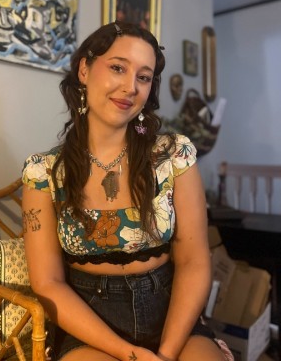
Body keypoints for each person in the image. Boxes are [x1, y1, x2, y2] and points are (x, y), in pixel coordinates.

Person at [21, 21, 233, 361]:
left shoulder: (174, 155)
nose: (130, 87)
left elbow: (194, 261)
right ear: (85, 69)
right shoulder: (43, 172)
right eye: (118, 68)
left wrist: (164, 353)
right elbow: (47, 283)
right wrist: (129, 354)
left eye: (144, 77)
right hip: (91, 326)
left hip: (172, 315)